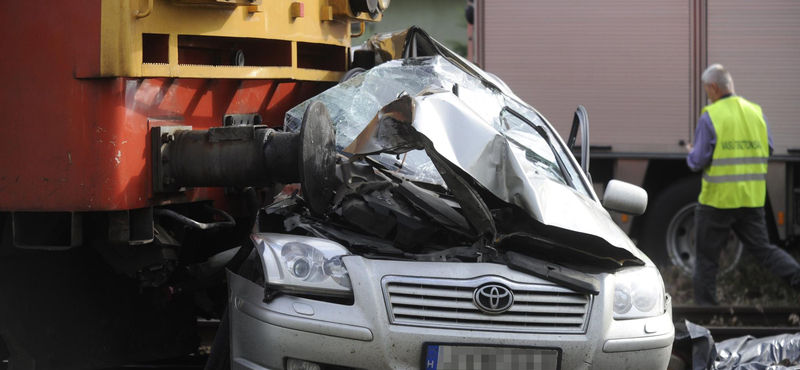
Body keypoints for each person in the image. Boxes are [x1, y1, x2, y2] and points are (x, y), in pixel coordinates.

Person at [687, 63, 800, 306]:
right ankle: (797, 278)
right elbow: (767, 148)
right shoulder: (756, 112)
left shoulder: (711, 115)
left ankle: (707, 314)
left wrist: (692, 151)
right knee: (764, 250)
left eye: (707, 89)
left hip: (717, 201)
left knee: (707, 259)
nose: (707, 94)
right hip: (751, 199)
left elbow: (698, 161)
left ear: (714, 87)